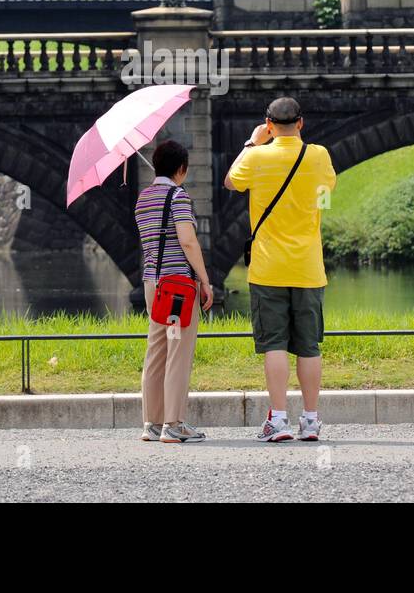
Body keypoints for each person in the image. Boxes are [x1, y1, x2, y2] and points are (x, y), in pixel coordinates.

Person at [224, 96, 337, 442]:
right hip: (308, 266)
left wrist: (251, 142)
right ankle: (312, 420)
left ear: (269, 125)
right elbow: (325, 194)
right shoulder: (318, 155)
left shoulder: (257, 156)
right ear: (301, 123)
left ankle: (277, 420)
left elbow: (230, 182)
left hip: (268, 267)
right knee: (309, 345)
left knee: (274, 344)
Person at [135, 139, 214, 443]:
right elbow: (188, 241)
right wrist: (204, 281)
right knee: (178, 353)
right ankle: (174, 424)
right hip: (178, 288)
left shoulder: (143, 199)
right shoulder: (178, 197)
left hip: (152, 285)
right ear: (181, 168)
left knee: (156, 353)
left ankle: (151, 424)